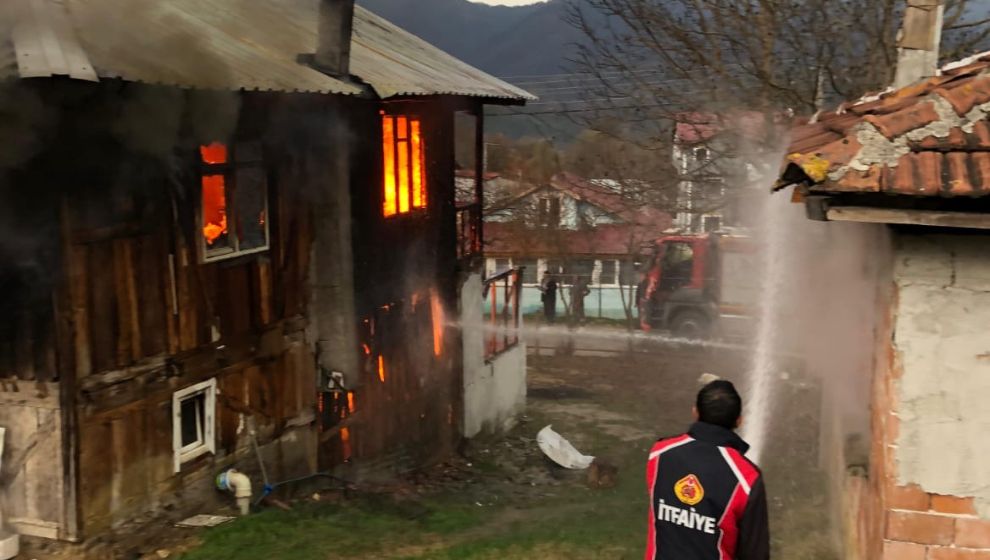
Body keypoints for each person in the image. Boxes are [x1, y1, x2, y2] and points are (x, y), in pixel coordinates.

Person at [645, 379, 769, 560]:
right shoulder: (747, 478)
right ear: (739, 421)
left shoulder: (660, 454)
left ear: (695, 412)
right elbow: (755, 553)